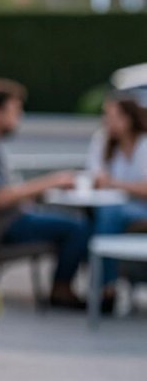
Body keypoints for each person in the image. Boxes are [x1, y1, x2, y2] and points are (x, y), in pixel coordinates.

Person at [0, 78, 91, 308]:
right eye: (15, 111)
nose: (20, 118)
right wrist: (50, 182)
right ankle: (61, 290)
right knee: (78, 228)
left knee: (70, 221)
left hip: (3, 221)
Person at [87, 95, 147, 309]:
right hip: (111, 206)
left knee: (110, 215)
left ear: (128, 118)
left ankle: (106, 287)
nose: (107, 122)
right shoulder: (102, 141)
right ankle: (105, 286)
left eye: (112, 116)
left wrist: (114, 183)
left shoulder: (143, 144)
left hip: (140, 208)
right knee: (97, 219)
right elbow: (95, 176)